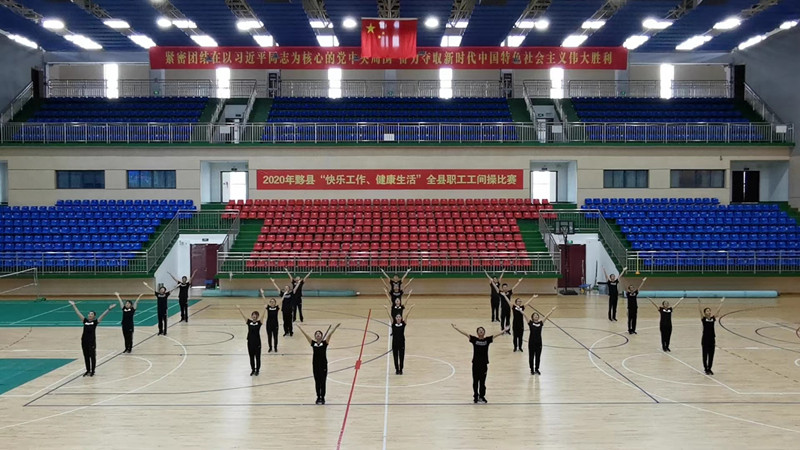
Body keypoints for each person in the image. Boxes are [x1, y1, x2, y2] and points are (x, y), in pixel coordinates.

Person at [451, 323, 509, 403]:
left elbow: (496, 335)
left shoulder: (487, 340)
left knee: (482, 382)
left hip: (484, 364)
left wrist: (504, 330)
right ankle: (475, 396)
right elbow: (465, 334)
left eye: (482, 330)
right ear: (477, 333)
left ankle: (482, 396)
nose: (481, 331)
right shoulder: (474, 340)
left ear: (484, 332)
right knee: (475, 381)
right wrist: (456, 328)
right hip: (475, 364)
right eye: (479, 330)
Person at [68, 300, 115, 377]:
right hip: (84, 342)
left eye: (91, 314)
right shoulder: (85, 321)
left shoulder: (95, 322)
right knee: (86, 356)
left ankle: (93, 371)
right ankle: (87, 370)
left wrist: (109, 309)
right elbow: (78, 313)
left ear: (94, 316)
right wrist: (74, 305)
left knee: (92, 357)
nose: (90, 315)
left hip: (91, 342)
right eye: (89, 314)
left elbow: (103, 315)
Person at [298, 323, 341, 405]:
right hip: (315, 365)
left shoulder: (324, 343)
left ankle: (323, 397)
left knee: (323, 382)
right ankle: (318, 397)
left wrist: (335, 327)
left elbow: (330, 334)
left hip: (323, 365)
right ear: (315, 336)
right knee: (317, 381)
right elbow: (306, 336)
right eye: (316, 334)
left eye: (319, 334)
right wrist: (300, 329)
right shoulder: (313, 343)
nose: (318, 335)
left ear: (321, 336)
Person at [384, 304, 415, 375]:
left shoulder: (403, 324)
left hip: (401, 343)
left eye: (399, 317)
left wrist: (410, 308)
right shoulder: (393, 324)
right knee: (395, 356)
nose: (398, 318)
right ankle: (396, 369)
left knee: (401, 356)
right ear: (395, 318)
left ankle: (401, 369)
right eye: (397, 317)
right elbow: (390, 316)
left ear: (401, 318)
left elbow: (406, 315)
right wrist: (387, 309)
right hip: (395, 343)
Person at [698, 298, 725, 375]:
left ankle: (709, 368)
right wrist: (699, 303)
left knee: (711, 355)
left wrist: (721, 303)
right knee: (705, 355)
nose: (709, 312)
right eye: (707, 311)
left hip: (712, 339)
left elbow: (718, 311)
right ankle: (705, 368)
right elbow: (700, 311)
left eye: (709, 311)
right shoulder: (703, 319)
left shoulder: (713, 318)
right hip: (705, 339)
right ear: (705, 313)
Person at [528, 307, 557, 375]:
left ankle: (537, 369)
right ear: (532, 317)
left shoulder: (540, 323)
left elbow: (546, 317)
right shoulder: (530, 323)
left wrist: (551, 311)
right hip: (531, 342)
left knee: (538, 357)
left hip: (539, 342)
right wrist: (521, 311)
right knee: (531, 356)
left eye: (537, 316)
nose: (536, 316)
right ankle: (532, 369)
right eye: (535, 316)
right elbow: (525, 315)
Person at [236, 305, 264, 376]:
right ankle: (253, 370)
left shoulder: (259, 323)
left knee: (257, 357)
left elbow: (263, 316)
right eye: (253, 315)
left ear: (257, 316)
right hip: (250, 342)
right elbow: (243, 316)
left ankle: (257, 370)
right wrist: (239, 309)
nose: (254, 316)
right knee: (251, 357)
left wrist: (264, 309)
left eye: (255, 315)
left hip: (257, 342)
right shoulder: (249, 322)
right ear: (251, 316)